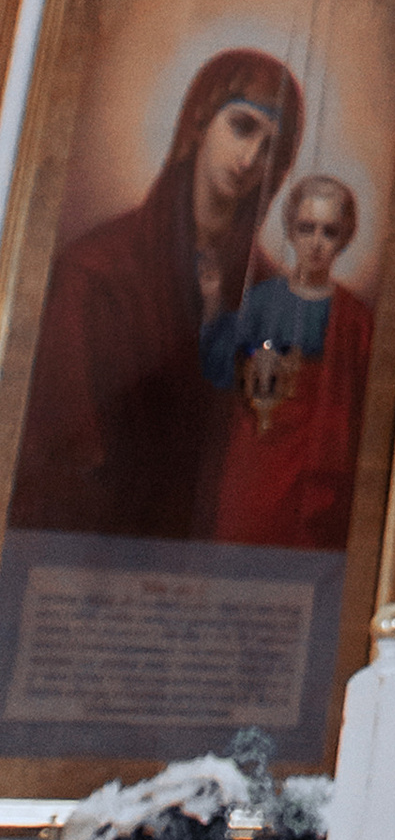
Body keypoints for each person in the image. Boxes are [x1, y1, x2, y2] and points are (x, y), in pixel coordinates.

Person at [13, 51, 305, 538]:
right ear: (199, 120)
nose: (250, 159)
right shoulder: (94, 273)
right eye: (242, 127)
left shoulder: (270, 294)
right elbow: (58, 457)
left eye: (270, 147)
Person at [202, 171, 372, 553]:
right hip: (259, 458)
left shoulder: (356, 318)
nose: (315, 243)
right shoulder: (262, 302)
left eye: (328, 232)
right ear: (291, 231)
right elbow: (222, 368)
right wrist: (213, 304)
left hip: (319, 465)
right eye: (306, 228)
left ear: (344, 239)